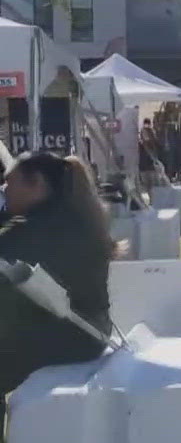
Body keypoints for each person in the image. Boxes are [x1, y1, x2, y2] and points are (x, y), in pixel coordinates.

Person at [0, 153, 114, 399]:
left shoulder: (34, 229)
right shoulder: (72, 218)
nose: (4, 188)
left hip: (63, 339)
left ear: (37, 183)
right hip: (87, 335)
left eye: (10, 182)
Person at [136, 124, 169, 201]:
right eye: (143, 133)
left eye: (145, 133)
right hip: (143, 168)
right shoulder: (140, 144)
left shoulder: (154, 143)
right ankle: (152, 201)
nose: (144, 135)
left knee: (155, 186)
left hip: (153, 168)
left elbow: (161, 152)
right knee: (147, 187)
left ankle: (156, 201)